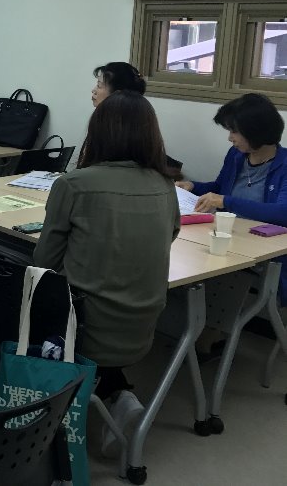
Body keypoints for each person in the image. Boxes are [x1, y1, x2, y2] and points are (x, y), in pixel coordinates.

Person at [32, 91, 180, 458]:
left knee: (33, 290)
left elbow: (43, 262)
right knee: (96, 298)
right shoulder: (166, 186)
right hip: (141, 328)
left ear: (97, 132)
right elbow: (170, 235)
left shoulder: (74, 184)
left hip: (83, 331)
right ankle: (118, 392)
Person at [177, 93, 287, 305]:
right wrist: (193, 187)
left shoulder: (284, 164)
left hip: (263, 251)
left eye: (234, 131)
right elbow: (220, 188)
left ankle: (203, 324)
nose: (230, 138)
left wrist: (226, 201)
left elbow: (282, 213)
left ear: (255, 130)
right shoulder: (236, 155)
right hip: (228, 239)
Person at [91, 61, 184, 179]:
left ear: (117, 94)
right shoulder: (141, 116)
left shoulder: (115, 129)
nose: (93, 90)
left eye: (99, 86)